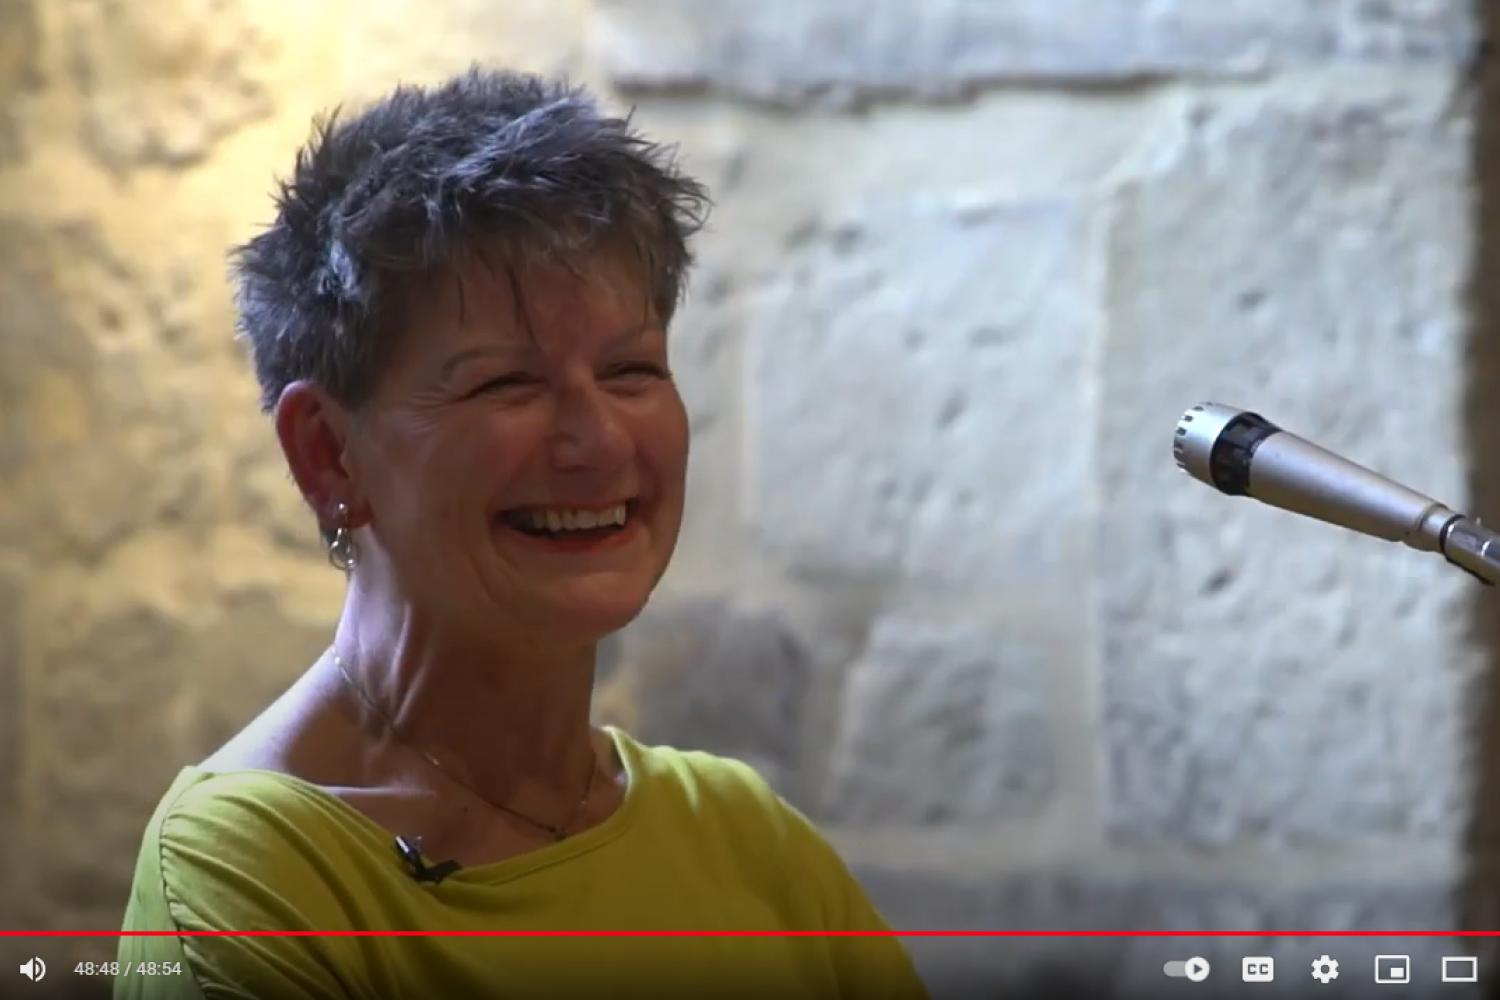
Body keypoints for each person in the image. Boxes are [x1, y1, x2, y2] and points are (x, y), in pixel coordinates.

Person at [115, 68, 931, 1000]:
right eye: (507, 383)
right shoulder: (253, 877)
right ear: (329, 457)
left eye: (630, 369)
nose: (598, 439)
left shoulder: (744, 836)